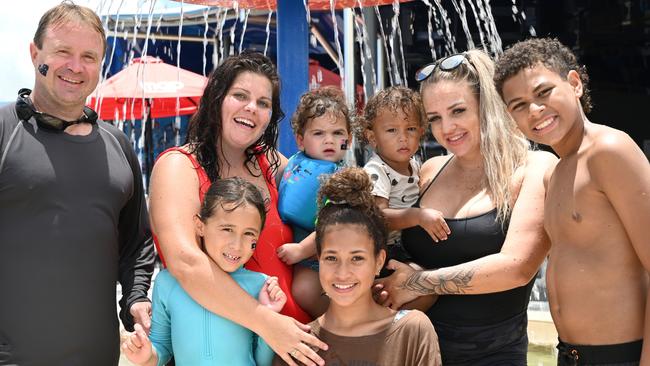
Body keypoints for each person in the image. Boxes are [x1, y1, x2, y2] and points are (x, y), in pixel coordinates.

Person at [374, 49, 557, 365]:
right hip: (413, 352)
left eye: (458, 111)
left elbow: (516, 268)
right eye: (434, 118)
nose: (447, 128)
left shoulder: (535, 168)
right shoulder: (429, 171)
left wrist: (416, 281)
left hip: (494, 356)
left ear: (488, 106)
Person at [149, 51, 327, 366]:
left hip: (300, 343)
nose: (251, 108)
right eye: (240, 96)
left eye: (263, 102)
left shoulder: (274, 165)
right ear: (217, 98)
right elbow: (186, 262)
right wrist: (268, 324)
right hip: (229, 350)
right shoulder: (179, 166)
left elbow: (336, 214)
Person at [0, 3, 155, 365]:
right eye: (63, 52)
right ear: (35, 52)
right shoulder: (5, 132)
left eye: (89, 56)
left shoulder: (117, 145)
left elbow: (135, 243)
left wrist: (135, 298)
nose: (75, 66)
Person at [495, 38, 650, 365]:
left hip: (621, 355)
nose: (534, 110)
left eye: (543, 92)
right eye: (519, 106)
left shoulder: (608, 150)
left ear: (575, 83)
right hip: (569, 354)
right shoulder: (557, 172)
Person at [274, 167, 442, 366]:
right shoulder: (299, 348)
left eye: (357, 258)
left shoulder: (412, 330)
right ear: (318, 258)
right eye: (331, 258)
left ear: (379, 261)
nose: (342, 273)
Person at [123, 178, 287, 366]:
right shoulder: (168, 282)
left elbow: (261, 361)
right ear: (200, 226)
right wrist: (147, 356)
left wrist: (269, 315)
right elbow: (162, 348)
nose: (237, 245)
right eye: (227, 229)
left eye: (249, 233)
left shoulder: (261, 285)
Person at [276, 86, 352, 318]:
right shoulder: (294, 163)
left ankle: (339, 325)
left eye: (338, 133)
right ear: (300, 140)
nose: (329, 140)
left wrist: (301, 250)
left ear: (347, 141)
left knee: (304, 290)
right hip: (295, 253)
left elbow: (330, 224)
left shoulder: (341, 179)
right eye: (318, 133)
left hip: (318, 257)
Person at [359, 86, 449, 264]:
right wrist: (418, 216)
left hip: (409, 243)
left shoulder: (414, 165)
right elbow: (379, 217)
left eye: (411, 129)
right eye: (392, 130)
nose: (403, 137)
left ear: (422, 131)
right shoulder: (376, 171)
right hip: (386, 250)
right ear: (372, 137)